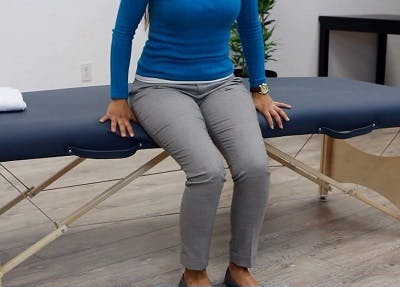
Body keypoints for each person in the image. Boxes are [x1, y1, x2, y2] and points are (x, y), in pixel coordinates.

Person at [100, 1, 291, 286]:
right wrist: (118, 97)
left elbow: (251, 28)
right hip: (159, 86)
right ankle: (194, 274)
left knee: (254, 168)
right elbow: (123, 32)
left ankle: (239, 268)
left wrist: (259, 88)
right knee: (207, 171)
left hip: (222, 85)